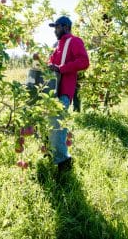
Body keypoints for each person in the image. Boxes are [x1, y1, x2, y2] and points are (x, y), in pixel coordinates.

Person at [46, 15, 89, 174]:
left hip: (64, 91)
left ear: (65, 27)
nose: (55, 31)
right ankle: (52, 157)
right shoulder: (56, 45)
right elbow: (51, 66)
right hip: (51, 93)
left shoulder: (75, 41)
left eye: (57, 27)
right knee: (49, 126)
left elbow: (84, 62)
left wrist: (61, 68)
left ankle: (64, 164)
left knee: (57, 127)